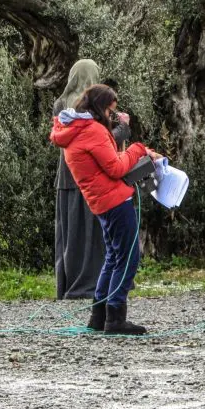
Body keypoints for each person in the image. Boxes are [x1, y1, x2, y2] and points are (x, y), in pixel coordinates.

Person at [50, 84, 162, 334]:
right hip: (115, 201)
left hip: (99, 202)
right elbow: (116, 168)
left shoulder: (72, 129)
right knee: (128, 257)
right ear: (101, 108)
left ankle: (98, 316)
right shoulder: (92, 131)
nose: (112, 116)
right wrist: (139, 149)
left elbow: (106, 159)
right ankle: (115, 317)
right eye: (111, 111)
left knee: (112, 256)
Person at [51, 59, 105, 300]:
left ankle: (68, 284)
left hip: (66, 177)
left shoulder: (60, 104)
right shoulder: (95, 106)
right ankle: (93, 284)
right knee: (92, 234)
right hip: (90, 176)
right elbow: (100, 142)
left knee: (69, 234)